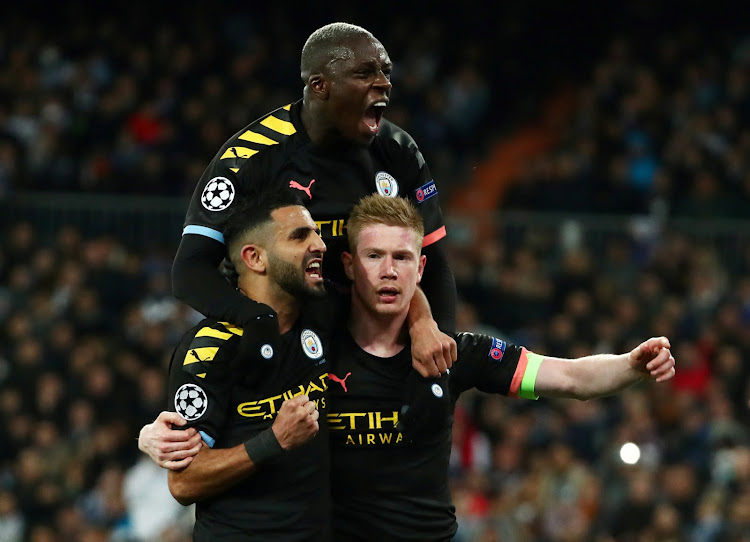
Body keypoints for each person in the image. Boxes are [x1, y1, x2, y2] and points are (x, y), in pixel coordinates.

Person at [143, 195, 676, 541]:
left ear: (421, 267)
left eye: (403, 258)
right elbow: (212, 404)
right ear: (349, 266)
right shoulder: (309, 335)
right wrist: (151, 433)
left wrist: (631, 366)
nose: (389, 271)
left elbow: (571, 378)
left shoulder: (455, 353)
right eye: (374, 257)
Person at [173, 21, 457, 377]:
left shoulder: (398, 151)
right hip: (278, 352)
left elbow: (434, 262)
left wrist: (436, 341)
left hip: (368, 346)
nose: (384, 83)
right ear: (320, 86)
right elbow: (190, 271)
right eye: (365, 72)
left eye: (386, 71)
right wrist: (258, 321)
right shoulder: (249, 158)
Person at [160, 190, 336, 541]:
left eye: (316, 233)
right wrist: (274, 439)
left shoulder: (320, 317)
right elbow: (184, 481)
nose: (320, 244)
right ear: (255, 258)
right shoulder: (210, 348)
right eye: (300, 235)